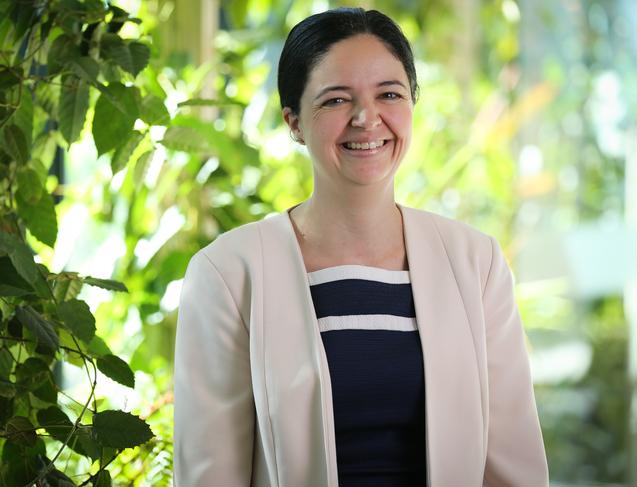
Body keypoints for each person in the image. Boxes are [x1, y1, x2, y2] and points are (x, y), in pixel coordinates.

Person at [173, 7, 548, 487]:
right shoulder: (228, 273)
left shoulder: (476, 264)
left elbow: (512, 469)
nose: (366, 118)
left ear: (412, 104)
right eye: (335, 100)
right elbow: (211, 476)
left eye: (389, 94)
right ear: (293, 121)